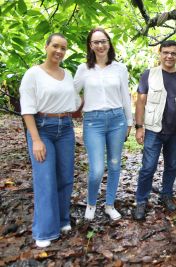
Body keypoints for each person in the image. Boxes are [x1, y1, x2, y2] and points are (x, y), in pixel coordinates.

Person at [19, 33, 81, 248]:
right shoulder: (33, 74)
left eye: (63, 48)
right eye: (55, 46)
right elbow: (27, 109)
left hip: (65, 128)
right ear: (46, 47)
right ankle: (44, 230)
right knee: (45, 178)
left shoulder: (68, 73)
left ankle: (63, 220)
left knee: (65, 177)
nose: (59, 51)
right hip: (42, 129)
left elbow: (74, 102)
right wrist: (36, 140)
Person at [74, 27, 133, 221]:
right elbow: (72, 94)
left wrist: (129, 122)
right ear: (90, 46)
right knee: (97, 169)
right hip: (93, 122)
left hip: (117, 120)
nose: (100, 45)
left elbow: (125, 96)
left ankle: (109, 204)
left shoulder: (120, 68)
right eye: (96, 42)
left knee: (115, 164)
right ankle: (91, 203)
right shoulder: (84, 69)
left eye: (103, 41)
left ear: (109, 43)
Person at [133, 40, 176, 220]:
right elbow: (141, 102)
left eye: (173, 53)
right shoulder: (149, 74)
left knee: (172, 166)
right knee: (148, 167)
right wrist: (139, 127)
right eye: (166, 52)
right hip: (153, 129)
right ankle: (141, 201)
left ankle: (166, 194)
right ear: (159, 54)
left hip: (175, 130)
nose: (169, 56)